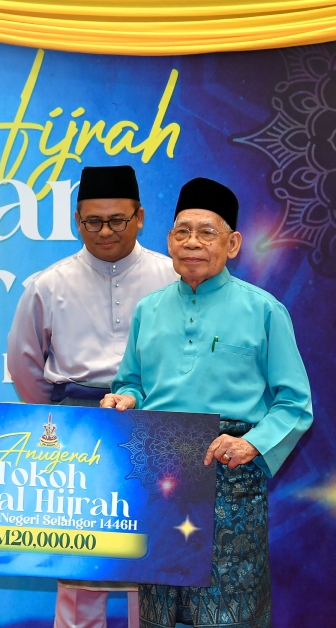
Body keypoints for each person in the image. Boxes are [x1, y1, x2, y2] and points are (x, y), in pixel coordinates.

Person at [102, 177, 313, 628]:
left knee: (228, 610)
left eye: (206, 232)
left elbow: (295, 403)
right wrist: (125, 398)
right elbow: (133, 382)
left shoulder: (265, 310)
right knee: (159, 607)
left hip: (230, 472)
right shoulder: (149, 309)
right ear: (168, 240)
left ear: (233, 244)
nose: (192, 242)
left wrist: (252, 445)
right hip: (161, 477)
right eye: (182, 231)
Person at [7, 165, 177, 628]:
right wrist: (62, 418)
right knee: (78, 568)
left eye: (117, 220)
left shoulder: (173, 277)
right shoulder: (49, 283)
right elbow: (24, 365)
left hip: (153, 425)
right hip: (77, 430)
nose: (105, 231)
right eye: (92, 221)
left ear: (140, 217)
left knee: (153, 559)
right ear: (76, 220)